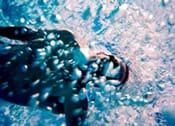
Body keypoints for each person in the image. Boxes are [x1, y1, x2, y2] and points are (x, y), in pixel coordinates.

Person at [0, 26, 129, 126]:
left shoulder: (74, 99)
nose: (101, 67)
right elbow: (26, 33)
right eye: (109, 63)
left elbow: (24, 33)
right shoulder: (65, 40)